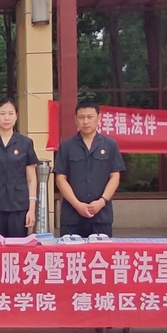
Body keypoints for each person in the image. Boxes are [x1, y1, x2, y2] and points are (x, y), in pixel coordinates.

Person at [55, 99, 124, 238]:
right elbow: (60, 179)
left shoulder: (110, 144)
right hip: (72, 216)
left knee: (101, 252)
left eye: (90, 117)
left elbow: (115, 177)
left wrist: (102, 201)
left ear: (99, 118)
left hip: (101, 216)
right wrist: (77, 204)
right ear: (75, 119)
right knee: (71, 252)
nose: (85, 121)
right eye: (81, 117)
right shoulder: (66, 146)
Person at [0, 98, 40, 238]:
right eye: (2, 113)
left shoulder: (25, 143)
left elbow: (32, 179)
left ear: (16, 116)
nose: (7, 118)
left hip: (19, 206)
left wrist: (31, 209)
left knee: (18, 247)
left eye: (10, 113)